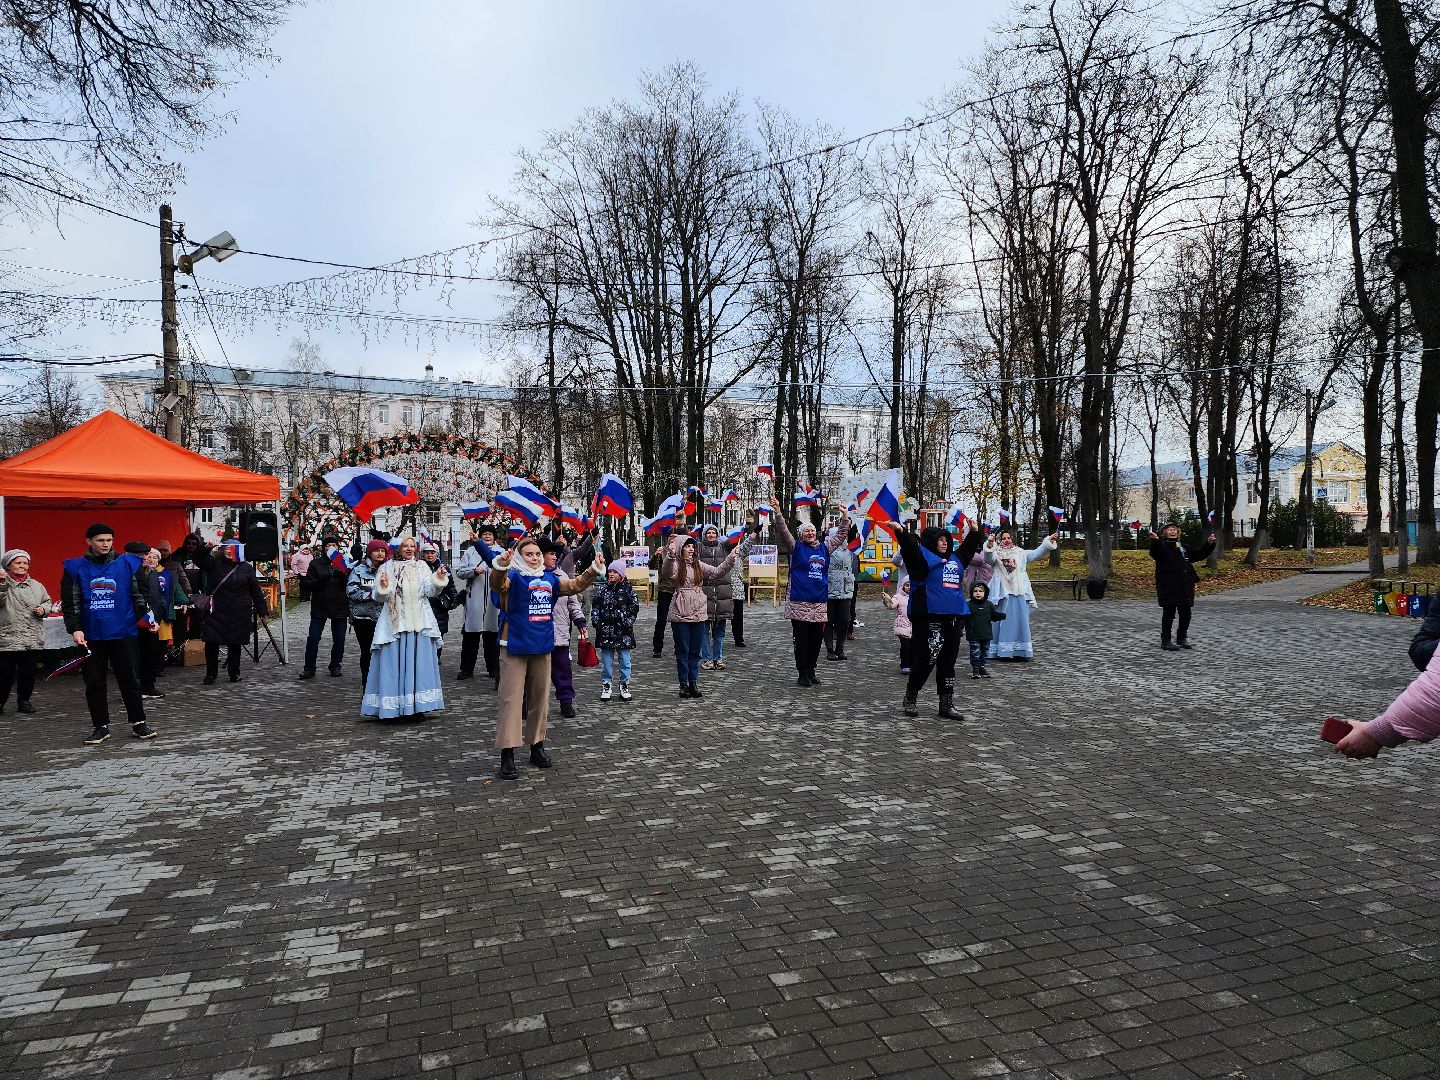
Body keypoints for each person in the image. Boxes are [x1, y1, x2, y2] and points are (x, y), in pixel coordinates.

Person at [489, 536, 602, 781]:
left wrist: (594, 568)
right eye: (529, 554)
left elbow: (574, 586)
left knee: (540, 698)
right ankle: (507, 752)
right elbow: (498, 584)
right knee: (511, 700)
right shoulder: (513, 577)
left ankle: (536, 745)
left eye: (537, 554)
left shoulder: (550, 578)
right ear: (520, 557)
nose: (535, 558)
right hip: (514, 645)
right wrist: (501, 565)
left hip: (542, 645)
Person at [62, 522, 155, 744]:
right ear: (89, 542)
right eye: (100, 540)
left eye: (109, 540)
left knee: (129, 678)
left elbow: (139, 595)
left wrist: (144, 618)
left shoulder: (128, 564)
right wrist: (75, 628)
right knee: (94, 682)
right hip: (92, 635)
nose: (105, 544)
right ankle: (100, 726)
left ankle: (138, 722)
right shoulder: (75, 568)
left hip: (123, 632)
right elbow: (70, 602)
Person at [890, 522, 986, 719]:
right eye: (940, 540)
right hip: (928, 617)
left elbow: (967, 549)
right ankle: (911, 697)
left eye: (946, 540)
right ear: (931, 542)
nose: (944, 543)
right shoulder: (921, 559)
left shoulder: (955, 559)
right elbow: (910, 550)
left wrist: (975, 532)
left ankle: (946, 702)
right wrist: (901, 532)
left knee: (948, 662)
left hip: (953, 618)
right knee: (926, 660)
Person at [362, 535, 448, 720]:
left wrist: (438, 579)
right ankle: (394, 707)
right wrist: (383, 587)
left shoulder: (421, 566)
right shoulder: (387, 566)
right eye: (405, 546)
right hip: (395, 622)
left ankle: (417, 707)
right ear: (398, 548)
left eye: (412, 546)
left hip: (420, 622)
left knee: (419, 664)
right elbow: (379, 596)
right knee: (393, 664)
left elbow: (429, 591)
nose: (409, 549)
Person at [660, 532, 741, 698]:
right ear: (681, 548)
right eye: (687, 546)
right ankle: (683, 684)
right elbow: (667, 572)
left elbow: (718, 572)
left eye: (692, 546)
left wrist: (731, 557)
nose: (691, 549)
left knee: (696, 651)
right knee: (683, 650)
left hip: (699, 613)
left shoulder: (698, 565)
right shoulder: (675, 563)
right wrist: (670, 554)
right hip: (680, 613)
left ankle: (693, 683)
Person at [773, 514, 848, 687]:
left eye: (812, 530)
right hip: (799, 601)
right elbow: (784, 531)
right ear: (801, 534)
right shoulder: (795, 547)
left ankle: (812, 670)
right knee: (802, 641)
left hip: (819, 602)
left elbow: (840, 535)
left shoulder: (825, 548)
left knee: (816, 641)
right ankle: (802, 672)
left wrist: (844, 516)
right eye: (806, 530)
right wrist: (778, 512)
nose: (810, 533)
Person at [199, 540, 269, 684]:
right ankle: (211, 674)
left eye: (233, 549)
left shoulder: (246, 568)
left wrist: (262, 610)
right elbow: (198, 559)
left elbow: (255, 591)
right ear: (222, 550)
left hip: (238, 611)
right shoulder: (214, 563)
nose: (229, 551)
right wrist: (206, 548)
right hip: (216, 610)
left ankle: (234, 673)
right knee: (212, 643)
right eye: (227, 549)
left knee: (234, 644)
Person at [985, 529, 1059, 661]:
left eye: (1009, 537)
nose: (1007, 540)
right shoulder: (996, 553)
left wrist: (1049, 541)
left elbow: (1037, 553)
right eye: (1003, 538)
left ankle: (1020, 651)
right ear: (999, 540)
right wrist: (990, 545)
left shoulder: (1021, 553)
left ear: (1012, 539)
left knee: (1020, 621)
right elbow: (988, 558)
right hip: (1003, 593)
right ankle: (1003, 652)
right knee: (1002, 621)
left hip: (1019, 592)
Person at [1148, 524, 1216, 651]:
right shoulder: (1162, 546)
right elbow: (1155, 553)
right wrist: (1155, 541)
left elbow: (1199, 554)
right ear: (1165, 532)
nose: (1172, 531)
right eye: (1170, 529)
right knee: (1169, 614)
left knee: (1186, 614)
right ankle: (1166, 640)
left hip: (1185, 585)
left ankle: (1181, 637)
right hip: (1169, 585)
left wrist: (1209, 543)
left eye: (1175, 529)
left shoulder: (1183, 547)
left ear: (1178, 532)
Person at [0, 549, 52, 715]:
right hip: (8, 637)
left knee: (28, 673)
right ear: (8, 565)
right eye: (18, 563)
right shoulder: (3, 583)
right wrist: (2, 586)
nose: (22, 566)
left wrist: (43, 609)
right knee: (4, 675)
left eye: (25, 563)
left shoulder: (36, 585)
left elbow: (47, 601)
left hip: (31, 637)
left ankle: (24, 701)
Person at [136, 546, 189, 699]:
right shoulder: (138, 574)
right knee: (142, 652)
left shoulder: (165, 573)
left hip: (160, 617)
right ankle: (141, 685)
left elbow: (175, 590)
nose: (151, 559)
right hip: (142, 618)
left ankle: (152, 678)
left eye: (154, 557)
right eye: (148, 556)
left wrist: (185, 600)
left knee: (158, 646)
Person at [542, 539, 586, 719]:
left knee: (562, 670)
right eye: (550, 554)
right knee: (535, 673)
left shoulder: (563, 576)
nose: (554, 557)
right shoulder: (531, 576)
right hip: (538, 634)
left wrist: (580, 622)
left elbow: (572, 603)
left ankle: (566, 702)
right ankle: (529, 704)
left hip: (559, 633)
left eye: (555, 554)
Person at [697, 524, 749, 670]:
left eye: (714, 532)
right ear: (704, 535)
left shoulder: (724, 547)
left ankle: (718, 658)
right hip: (704, 595)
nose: (711, 535)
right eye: (709, 533)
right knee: (704, 630)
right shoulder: (699, 548)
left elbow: (735, 539)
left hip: (722, 595)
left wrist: (747, 525)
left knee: (719, 632)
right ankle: (707, 659)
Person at [455, 523, 501, 684]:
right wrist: (473, 571)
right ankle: (466, 668)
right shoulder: (469, 552)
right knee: (470, 636)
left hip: (494, 601)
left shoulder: (500, 552)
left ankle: (493, 668)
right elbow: (460, 572)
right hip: (474, 599)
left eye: (490, 534)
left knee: (492, 636)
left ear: (495, 536)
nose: (487, 536)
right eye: (484, 534)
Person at [300, 539, 350, 679]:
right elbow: (307, 584)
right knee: (313, 638)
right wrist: (322, 579)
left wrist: (344, 577)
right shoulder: (316, 563)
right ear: (324, 548)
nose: (331, 547)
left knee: (339, 639)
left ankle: (335, 665)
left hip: (340, 606)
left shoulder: (343, 562)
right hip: (320, 606)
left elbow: (351, 584)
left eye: (334, 545)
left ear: (338, 547)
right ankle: (309, 668)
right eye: (328, 545)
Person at [591, 559, 639, 701]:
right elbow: (596, 606)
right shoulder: (603, 589)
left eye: (615, 571)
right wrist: (596, 621)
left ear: (621, 574)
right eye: (610, 571)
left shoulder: (628, 589)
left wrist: (628, 622)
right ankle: (606, 685)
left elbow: (634, 607)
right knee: (606, 662)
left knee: (625, 660)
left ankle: (624, 685)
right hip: (605, 632)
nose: (611, 574)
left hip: (623, 632)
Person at [347, 539, 388, 687]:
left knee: (385, 653)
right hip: (364, 618)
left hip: (385, 618)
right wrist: (371, 595)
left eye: (383, 550)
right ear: (370, 553)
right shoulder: (359, 570)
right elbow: (351, 592)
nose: (380, 553)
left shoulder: (389, 570)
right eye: (376, 550)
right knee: (368, 652)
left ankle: (383, 686)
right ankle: (367, 686)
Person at [420, 541, 458, 662]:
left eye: (432, 552)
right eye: (427, 553)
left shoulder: (444, 568)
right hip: (424, 606)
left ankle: (436, 658)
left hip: (439, 607)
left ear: (437, 554)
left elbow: (450, 586)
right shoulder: (419, 568)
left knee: (438, 634)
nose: (430, 555)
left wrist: (455, 600)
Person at [823, 528, 857, 662]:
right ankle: (830, 649)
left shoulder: (850, 548)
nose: (844, 537)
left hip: (845, 589)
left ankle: (840, 648)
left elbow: (862, 545)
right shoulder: (826, 548)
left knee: (845, 620)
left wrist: (866, 528)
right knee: (828, 620)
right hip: (829, 589)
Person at [965, 582, 1005, 679]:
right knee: (975, 652)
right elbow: (963, 618)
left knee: (985, 653)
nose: (978, 593)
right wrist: (959, 629)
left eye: (980, 591)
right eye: (975, 591)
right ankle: (975, 668)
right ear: (971, 593)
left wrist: (1000, 616)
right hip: (973, 634)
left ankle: (982, 667)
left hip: (986, 634)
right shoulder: (968, 605)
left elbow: (993, 616)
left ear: (985, 592)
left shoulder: (989, 605)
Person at [881, 579, 913, 675]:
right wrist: (886, 599)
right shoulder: (898, 597)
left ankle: (913, 664)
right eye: (907, 585)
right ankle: (905, 665)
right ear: (903, 586)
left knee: (914, 647)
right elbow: (891, 605)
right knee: (905, 646)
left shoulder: (918, 596)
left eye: (911, 585)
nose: (909, 587)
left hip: (915, 626)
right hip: (903, 625)